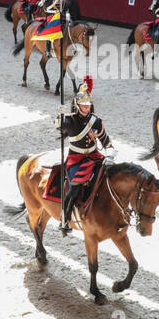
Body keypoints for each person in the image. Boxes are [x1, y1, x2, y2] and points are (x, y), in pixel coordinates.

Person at [56, 76, 114, 235]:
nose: (86, 108)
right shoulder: (70, 120)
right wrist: (59, 117)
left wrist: (110, 155)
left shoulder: (96, 121)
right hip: (77, 159)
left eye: (88, 105)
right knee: (75, 185)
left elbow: (107, 142)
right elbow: (60, 129)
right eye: (83, 105)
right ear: (77, 105)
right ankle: (65, 218)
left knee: (112, 176)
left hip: (95, 156)